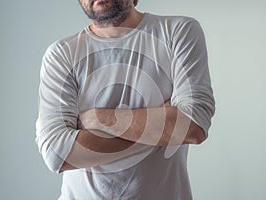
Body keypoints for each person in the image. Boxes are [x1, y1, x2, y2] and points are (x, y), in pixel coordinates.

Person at [35, 0, 215, 199]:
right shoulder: (62, 54)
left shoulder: (178, 32)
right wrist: (160, 130)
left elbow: (193, 126)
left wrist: (100, 119)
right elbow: (57, 155)